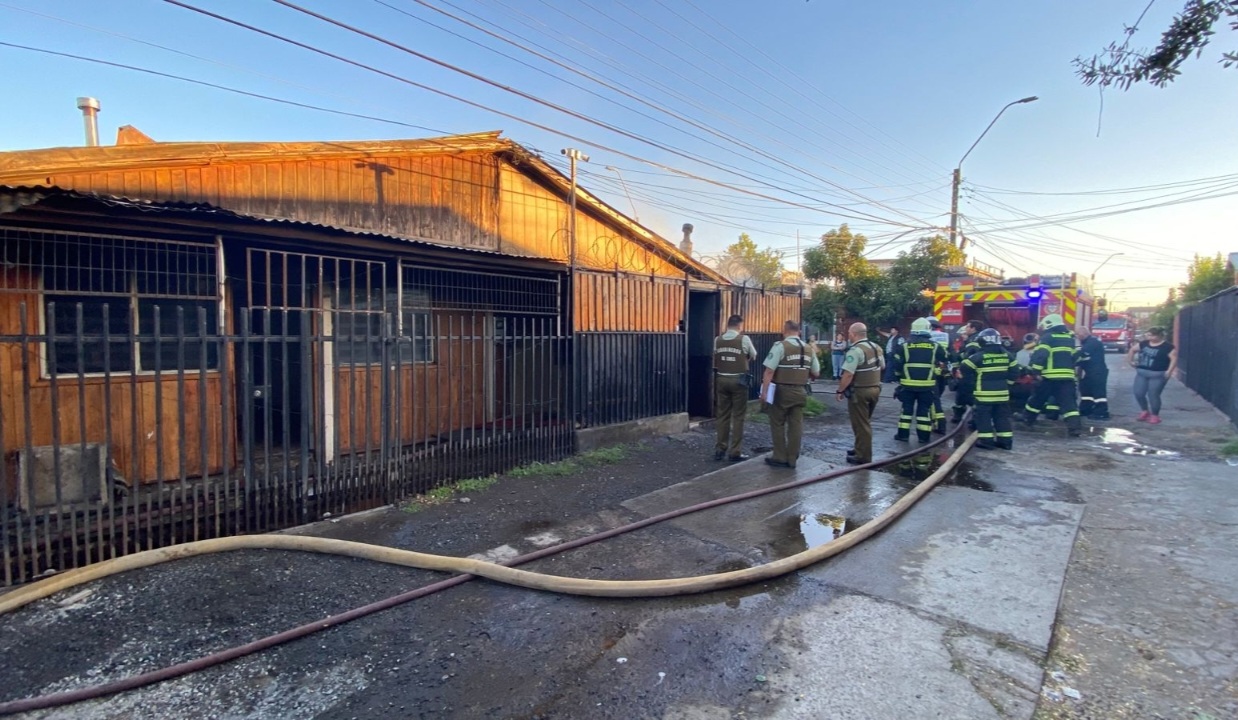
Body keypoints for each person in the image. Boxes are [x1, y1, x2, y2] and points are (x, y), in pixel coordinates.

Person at [761, 320, 821, 468]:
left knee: (778, 423)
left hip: (781, 391)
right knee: (796, 425)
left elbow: (769, 370)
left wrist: (764, 392)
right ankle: (792, 458)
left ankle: (779, 456)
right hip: (800, 391)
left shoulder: (780, 346)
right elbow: (816, 372)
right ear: (799, 332)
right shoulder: (809, 349)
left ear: (784, 331)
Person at [1023, 314, 1082, 437]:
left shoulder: (1047, 338)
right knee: (1069, 404)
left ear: (1049, 324)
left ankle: (1027, 419)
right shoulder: (1069, 338)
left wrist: (1034, 371)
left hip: (1049, 377)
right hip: (1066, 378)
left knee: (1037, 399)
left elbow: (1041, 355)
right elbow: (1076, 356)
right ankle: (1074, 428)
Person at [960, 329, 1019, 450]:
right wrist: (1008, 383)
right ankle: (1006, 442)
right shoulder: (1007, 355)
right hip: (1002, 394)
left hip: (984, 394)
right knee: (1002, 417)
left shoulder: (979, 357)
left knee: (983, 417)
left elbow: (965, 367)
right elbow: (1015, 371)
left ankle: (987, 442)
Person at [835, 322, 885, 465]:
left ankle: (863, 456)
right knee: (864, 421)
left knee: (860, 423)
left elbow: (848, 374)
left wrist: (840, 390)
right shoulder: (876, 348)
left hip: (860, 391)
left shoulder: (855, 351)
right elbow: (882, 366)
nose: (848, 336)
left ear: (854, 334)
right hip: (875, 389)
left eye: (849, 334)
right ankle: (859, 448)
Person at [712, 314, 758, 462]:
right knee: (738, 416)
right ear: (739, 326)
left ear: (728, 325)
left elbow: (715, 356)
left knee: (722, 415)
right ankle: (735, 452)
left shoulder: (717, 340)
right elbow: (754, 355)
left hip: (721, 378)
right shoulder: (743, 339)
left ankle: (720, 449)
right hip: (739, 380)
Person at [893, 318, 946, 444]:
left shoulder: (904, 346)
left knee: (906, 411)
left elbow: (897, 365)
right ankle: (923, 437)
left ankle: (903, 435)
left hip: (907, 385)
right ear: (928, 330)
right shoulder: (935, 346)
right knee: (924, 411)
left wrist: (899, 378)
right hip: (927, 386)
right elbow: (943, 361)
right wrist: (936, 374)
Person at [1127, 327, 1177, 424]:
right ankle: (1144, 410)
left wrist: (1169, 371)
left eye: (1151, 335)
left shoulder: (1167, 347)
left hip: (1158, 373)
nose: (1148, 337)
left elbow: (1173, 359)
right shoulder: (1144, 344)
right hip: (1142, 372)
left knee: (1153, 394)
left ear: (1158, 336)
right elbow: (1132, 350)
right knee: (1139, 393)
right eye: (1148, 335)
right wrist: (1130, 361)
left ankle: (1155, 415)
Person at [951, 320, 985, 424]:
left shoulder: (973, 341)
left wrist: (958, 360)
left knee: (963, 394)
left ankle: (961, 417)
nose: (966, 329)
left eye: (967, 327)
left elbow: (967, 357)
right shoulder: (979, 338)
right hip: (977, 372)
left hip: (968, 373)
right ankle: (974, 418)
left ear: (973, 328)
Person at [1076, 324, 1110, 420]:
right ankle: (1086, 409)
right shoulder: (1088, 342)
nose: (1077, 337)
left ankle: (1101, 412)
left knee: (1099, 393)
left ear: (1083, 334)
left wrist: (1071, 358)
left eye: (1078, 335)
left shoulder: (1092, 342)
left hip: (1097, 371)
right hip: (1089, 371)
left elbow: (1083, 354)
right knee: (1086, 391)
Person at [927, 317, 950, 434]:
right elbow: (949, 355)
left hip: (931, 372)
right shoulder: (945, 336)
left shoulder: (928, 337)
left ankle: (939, 424)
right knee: (937, 397)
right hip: (943, 372)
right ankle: (937, 421)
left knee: (933, 399)